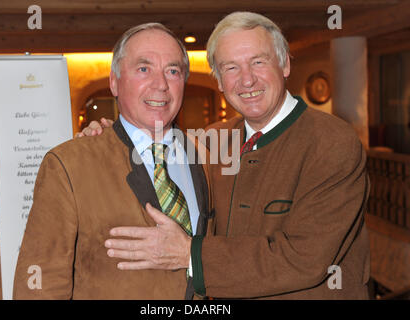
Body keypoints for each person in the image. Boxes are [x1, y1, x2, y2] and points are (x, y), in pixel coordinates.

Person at [84, 12, 370, 299]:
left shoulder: (333, 143)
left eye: (258, 62)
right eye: (230, 68)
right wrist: (113, 135)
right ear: (219, 81)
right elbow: (151, 140)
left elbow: (304, 259)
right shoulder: (212, 141)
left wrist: (189, 254)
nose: (247, 80)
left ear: (284, 64)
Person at [13, 23, 212, 299]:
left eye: (173, 71)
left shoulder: (207, 156)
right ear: (114, 82)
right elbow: (39, 284)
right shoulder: (68, 165)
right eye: (144, 69)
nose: (161, 84)